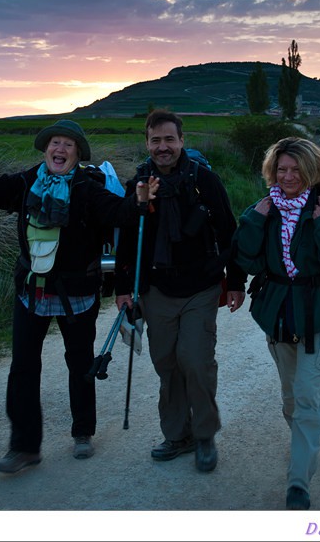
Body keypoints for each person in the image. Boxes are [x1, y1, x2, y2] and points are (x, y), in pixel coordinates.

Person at [0, 120, 157, 474]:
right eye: (55, 143)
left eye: (68, 144)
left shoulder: (88, 189)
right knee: (22, 367)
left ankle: (83, 432)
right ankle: (24, 447)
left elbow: (121, 214)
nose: (60, 149)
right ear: (46, 149)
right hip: (30, 292)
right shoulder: (25, 182)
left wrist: (140, 202)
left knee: (79, 364)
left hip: (77, 293)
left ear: (78, 154)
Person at [232, 137, 320, 510]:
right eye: (281, 169)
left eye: (295, 169)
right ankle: (305, 444)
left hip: (318, 316)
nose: (287, 176)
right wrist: (255, 221)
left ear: (311, 172)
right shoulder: (262, 210)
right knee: (291, 399)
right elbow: (247, 261)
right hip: (277, 317)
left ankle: (298, 482)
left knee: (306, 396)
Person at [114, 109, 246, 473]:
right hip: (157, 289)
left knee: (196, 361)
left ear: (182, 141)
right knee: (166, 363)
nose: (163, 147)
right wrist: (124, 288)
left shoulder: (205, 180)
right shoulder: (138, 184)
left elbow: (228, 232)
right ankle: (177, 435)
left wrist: (235, 281)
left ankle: (204, 436)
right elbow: (126, 238)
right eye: (155, 140)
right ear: (147, 143)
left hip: (201, 287)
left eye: (169, 139)